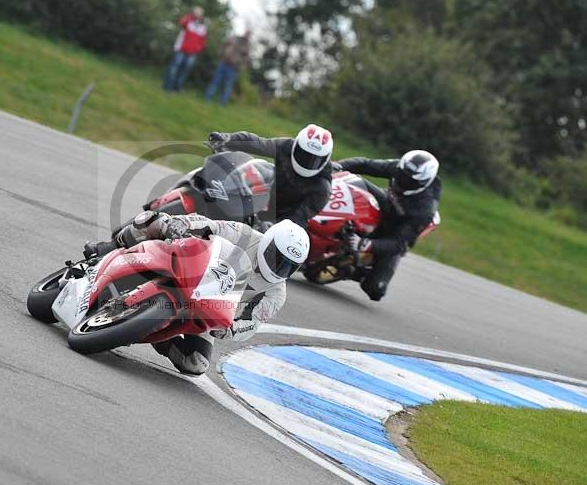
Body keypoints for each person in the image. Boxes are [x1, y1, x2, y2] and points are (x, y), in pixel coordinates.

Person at [85, 212, 310, 375]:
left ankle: (151, 332)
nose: (279, 268)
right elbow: (211, 225)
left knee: (196, 363)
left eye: (289, 267)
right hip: (190, 270)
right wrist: (182, 223)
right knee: (156, 221)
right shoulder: (246, 235)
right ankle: (106, 249)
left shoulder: (276, 294)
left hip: (204, 311)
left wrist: (231, 330)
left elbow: (252, 322)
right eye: (277, 258)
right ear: (267, 242)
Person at [333, 150, 441, 301]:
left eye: (409, 181)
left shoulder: (424, 210)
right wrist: (337, 166)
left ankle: (356, 267)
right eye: (402, 175)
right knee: (354, 181)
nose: (403, 181)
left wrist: (367, 244)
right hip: (387, 203)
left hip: (396, 231)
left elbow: (399, 243)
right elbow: (366, 164)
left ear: (423, 182)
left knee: (375, 289)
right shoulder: (400, 168)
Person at [206, 124, 334, 228]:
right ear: (296, 146)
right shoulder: (286, 147)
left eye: (314, 159)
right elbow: (257, 143)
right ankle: (217, 190)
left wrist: (274, 226)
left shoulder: (323, 188)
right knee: (261, 167)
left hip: (282, 218)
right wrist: (227, 139)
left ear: (326, 159)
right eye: (303, 154)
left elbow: (300, 217)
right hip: (265, 196)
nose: (307, 161)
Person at [163, 6, 208, 92]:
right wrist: (191, 16)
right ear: (193, 13)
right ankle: (168, 86)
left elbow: (203, 41)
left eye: (199, 13)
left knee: (184, 71)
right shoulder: (188, 21)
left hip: (192, 53)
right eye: (196, 13)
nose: (197, 15)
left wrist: (197, 49)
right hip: (181, 50)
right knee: (174, 68)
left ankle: (177, 87)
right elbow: (181, 22)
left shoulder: (203, 27)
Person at [204, 29, 251, 105]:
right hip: (223, 62)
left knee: (228, 86)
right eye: (247, 33)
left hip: (233, 68)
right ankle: (207, 98)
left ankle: (223, 103)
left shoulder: (247, 46)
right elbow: (224, 44)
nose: (247, 34)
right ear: (244, 32)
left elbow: (246, 59)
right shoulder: (235, 38)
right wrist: (220, 53)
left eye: (249, 34)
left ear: (250, 36)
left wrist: (240, 67)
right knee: (215, 81)